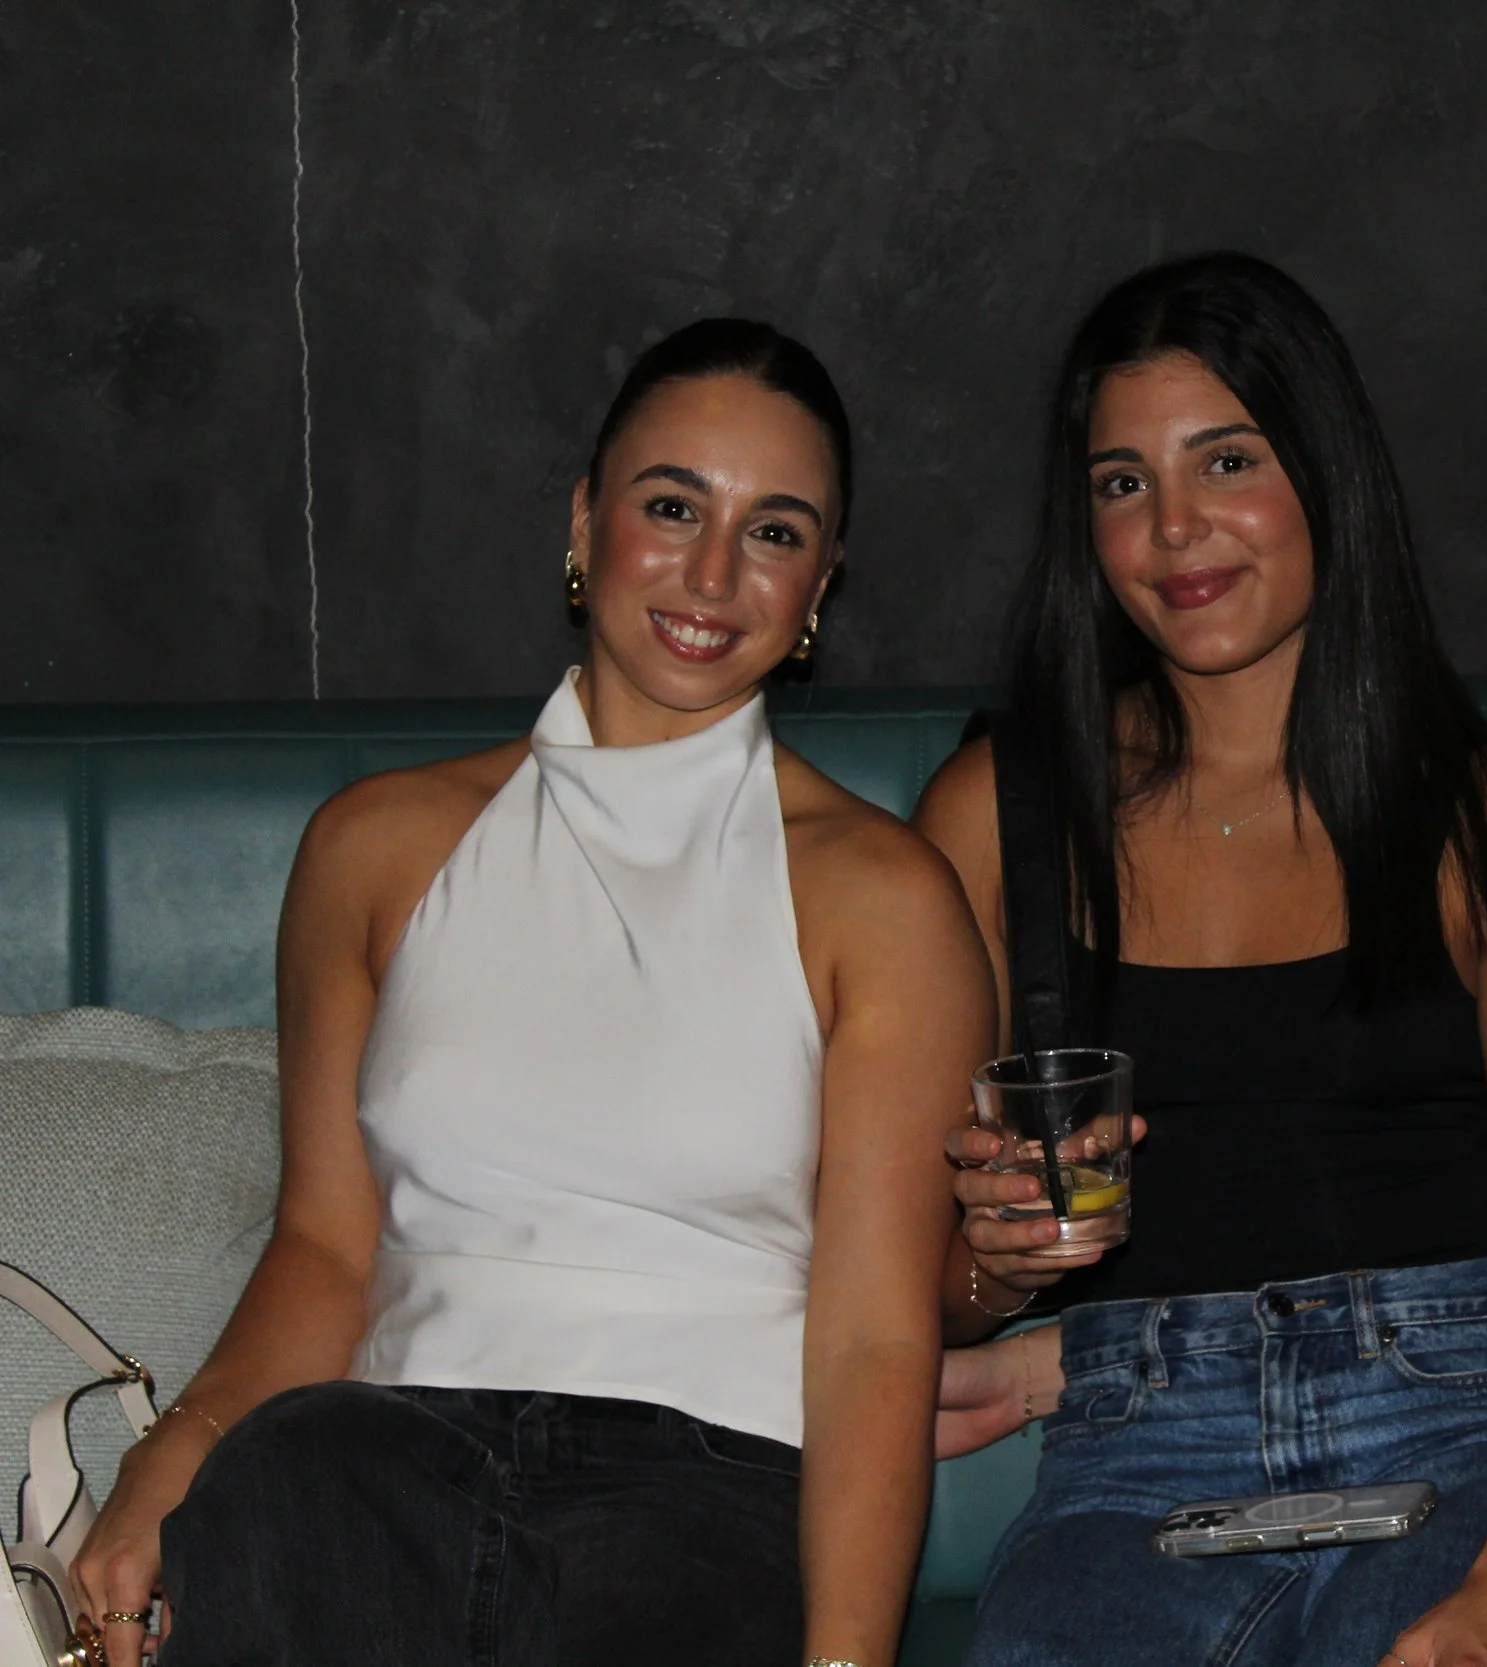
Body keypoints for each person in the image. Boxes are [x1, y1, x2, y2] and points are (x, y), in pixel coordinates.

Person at [69, 319, 994, 1667]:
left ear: (820, 585)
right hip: (373, 1466)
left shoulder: (885, 896)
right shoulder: (374, 847)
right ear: (584, 522)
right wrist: (176, 1452)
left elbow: (871, 1338)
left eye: (776, 531)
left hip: (709, 1486)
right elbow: (326, 1245)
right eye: (672, 505)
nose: (713, 571)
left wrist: (846, 1660)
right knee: (279, 1492)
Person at [912, 253, 1487, 1667]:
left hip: (1464, 1423)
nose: (1174, 528)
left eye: (1228, 460)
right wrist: (998, 1269)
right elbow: (910, 1290)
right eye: (1121, 482)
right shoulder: (998, 819)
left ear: (1326, 475)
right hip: (1138, 1457)